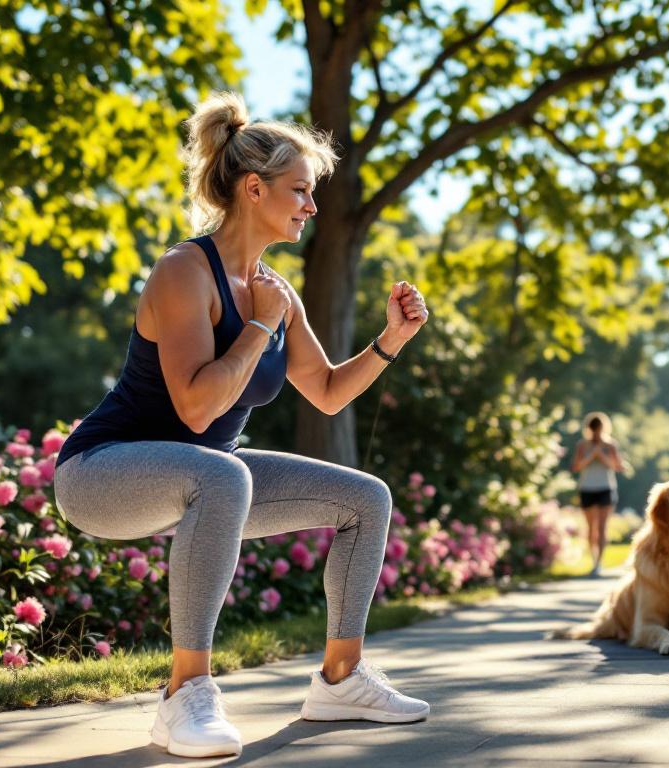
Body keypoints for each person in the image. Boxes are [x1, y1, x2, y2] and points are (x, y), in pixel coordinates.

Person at [52, 92, 432, 758]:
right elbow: (196, 407)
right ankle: (184, 694)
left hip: (210, 476)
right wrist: (258, 326)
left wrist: (391, 339)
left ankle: (341, 680)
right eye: (300, 190)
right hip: (101, 471)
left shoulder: (274, 290)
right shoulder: (183, 273)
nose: (311, 206)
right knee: (223, 470)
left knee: (366, 500)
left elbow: (327, 392)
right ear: (253, 189)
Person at [571, 412, 623, 577]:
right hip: (587, 488)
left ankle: (599, 563)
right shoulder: (582, 445)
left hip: (605, 488)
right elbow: (576, 467)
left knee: (602, 527)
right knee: (591, 527)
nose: (596, 433)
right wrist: (591, 454)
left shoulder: (610, 445)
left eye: (598, 429)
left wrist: (601, 454)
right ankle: (593, 561)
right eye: (593, 429)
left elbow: (617, 467)